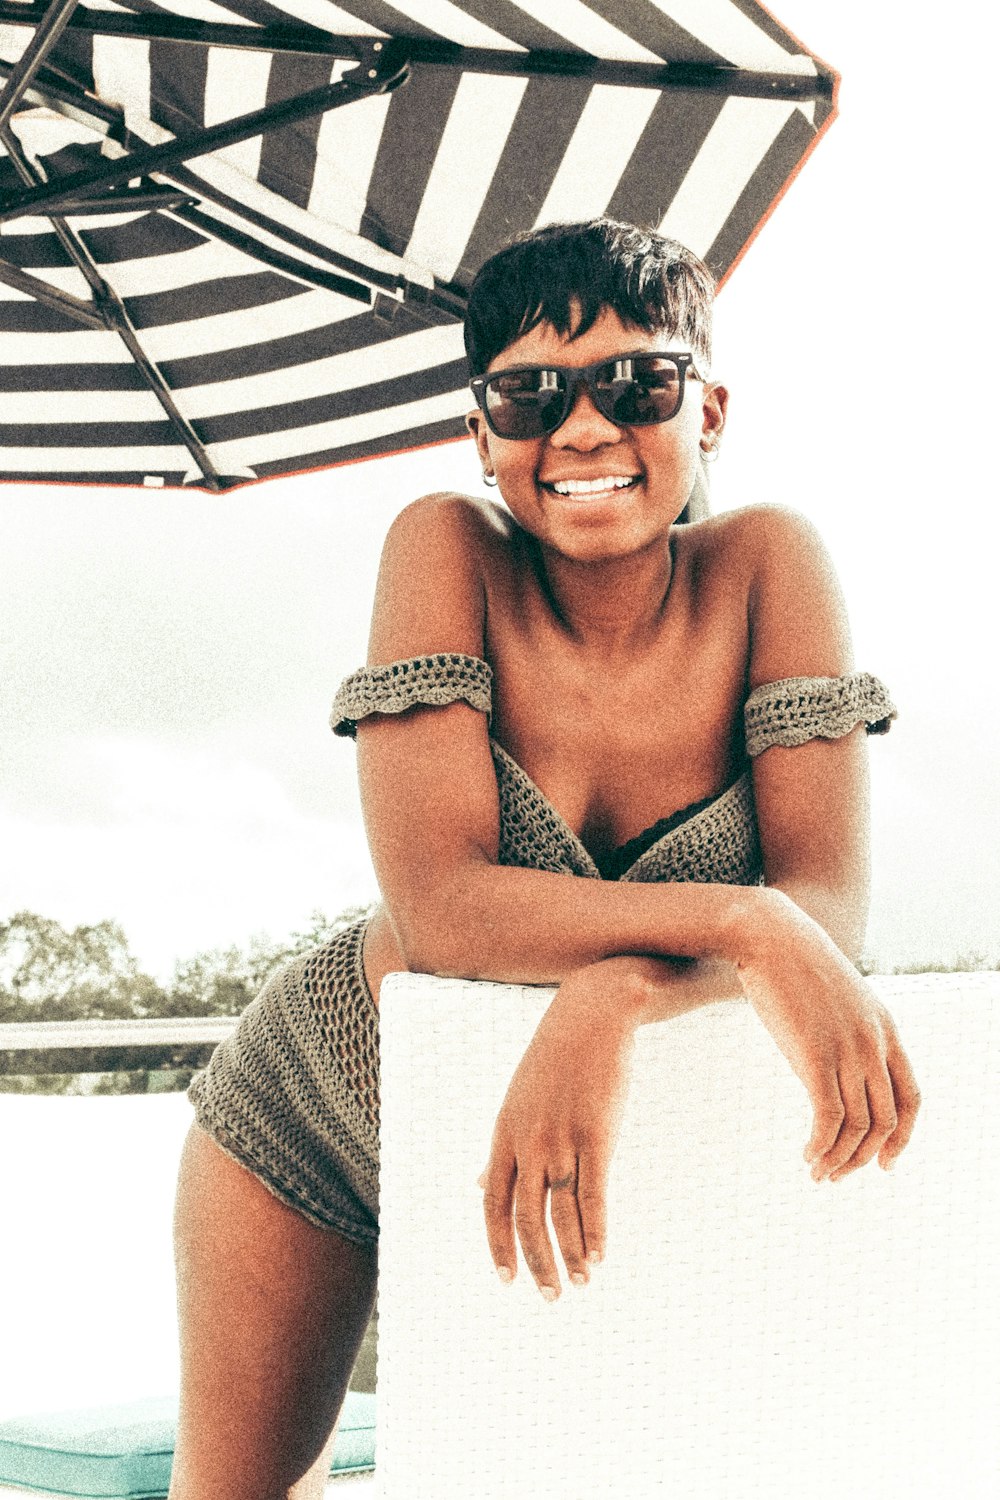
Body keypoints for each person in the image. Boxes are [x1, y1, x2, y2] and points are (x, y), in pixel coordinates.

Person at [167, 218, 920, 1500]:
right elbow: (447, 909)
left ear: (711, 408)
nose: (579, 430)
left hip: (619, 1129)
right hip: (321, 1116)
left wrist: (613, 996)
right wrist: (739, 927)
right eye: (528, 393)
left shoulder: (768, 568)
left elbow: (827, 912)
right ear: (480, 431)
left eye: (638, 383)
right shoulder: (442, 549)